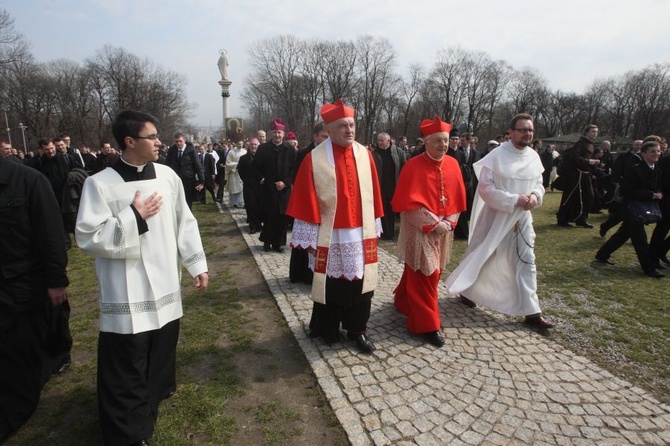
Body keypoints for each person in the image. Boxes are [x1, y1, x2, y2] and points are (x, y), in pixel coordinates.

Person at [75, 110, 209, 446]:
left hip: (164, 282)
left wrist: (196, 264)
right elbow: (88, 236)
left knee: (160, 349)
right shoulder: (99, 184)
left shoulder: (167, 176)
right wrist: (134, 216)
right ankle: (127, 432)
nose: (159, 142)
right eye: (152, 136)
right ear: (130, 141)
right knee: (127, 362)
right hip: (126, 289)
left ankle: (153, 397)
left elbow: (185, 222)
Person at [286, 99, 384, 353]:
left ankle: (357, 330)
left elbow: (373, 194)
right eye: (343, 126)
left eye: (352, 125)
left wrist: (375, 226)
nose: (349, 130)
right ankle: (327, 327)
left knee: (361, 283)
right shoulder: (314, 159)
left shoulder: (365, 155)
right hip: (330, 235)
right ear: (329, 130)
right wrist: (309, 241)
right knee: (332, 284)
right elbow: (305, 200)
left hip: (360, 233)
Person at [445, 113, 555, 331]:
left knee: (527, 263)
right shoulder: (497, 155)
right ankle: (467, 292)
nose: (527, 134)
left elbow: (539, 183)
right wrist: (514, 199)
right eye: (522, 129)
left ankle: (532, 312)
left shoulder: (534, 156)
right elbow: (486, 189)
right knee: (483, 255)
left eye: (530, 130)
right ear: (511, 132)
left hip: (521, 220)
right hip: (496, 218)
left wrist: (535, 196)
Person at [0, 155, 69, 443]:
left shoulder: (28, 181)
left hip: (23, 287)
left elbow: (52, 236)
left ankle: (11, 415)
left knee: (18, 355)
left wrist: (56, 281)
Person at [391, 117, 466, 347]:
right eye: (437, 141)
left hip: (444, 230)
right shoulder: (412, 165)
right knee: (426, 274)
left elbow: (458, 198)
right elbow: (407, 205)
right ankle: (427, 324)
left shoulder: (452, 164)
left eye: (445, 140)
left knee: (427, 273)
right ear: (425, 142)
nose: (443, 145)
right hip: (420, 230)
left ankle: (404, 301)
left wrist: (451, 222)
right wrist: (434, 224)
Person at [595, 141, 664, 278]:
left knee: (623, 234)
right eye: (653, 151)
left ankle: (602, 254)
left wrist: (658, 193)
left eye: (658, 151)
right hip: (631, 208)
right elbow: (626, 191)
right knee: (641, 240)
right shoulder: (635, 169)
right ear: (644, 153)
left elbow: (655, 186)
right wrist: (650, 195)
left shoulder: (656, 169)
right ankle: (649, 268)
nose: (656, 154)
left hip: (640, 208)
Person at [288, 122, 329, 284]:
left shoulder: (330, 153)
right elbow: (297, 177)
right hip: (307, 200)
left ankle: (317, 274)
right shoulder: (305, 153)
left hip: (324, 202)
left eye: (329, 136)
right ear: (315, 136)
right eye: (324, 136)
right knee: (304, 242)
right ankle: (300, 274)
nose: (327, 139)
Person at [253, 118, 295, 252]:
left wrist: (286, 183)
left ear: (283, 134)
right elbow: (255, 168)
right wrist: (262, 180)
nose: (277, 135)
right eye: (275, 132)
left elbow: (294, 169)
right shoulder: (263, 149)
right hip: (268, 190)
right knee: (269, 217)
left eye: (279, 133)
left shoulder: (290, 149)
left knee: (282, 218)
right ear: (271, 133)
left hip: (284, 190)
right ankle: (267, 242)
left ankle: (278, 244)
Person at [556, 125, 600, 228]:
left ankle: (581, 219)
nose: (595, 134)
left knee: (588, 197)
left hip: (585, 175)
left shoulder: (590, 145)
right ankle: (562, 219)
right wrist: (589, 161)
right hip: (576, 176)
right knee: (570, 197)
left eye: (596, 132)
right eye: (593, 131)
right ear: (586, 132)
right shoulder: (580, 144)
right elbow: (574, 158)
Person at [371, 132, 406, 240]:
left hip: (394, 185)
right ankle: (384, 232)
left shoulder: (398, 152)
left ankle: (392, 232)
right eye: (379, 140)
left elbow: (404, 166)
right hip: (380, 186)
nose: (380, 143)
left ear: (388, 141)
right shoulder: (374, 153)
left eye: (382, 140)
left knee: (393, 209)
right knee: (383, 209)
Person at [165, 133, 205, 209]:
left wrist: (201, 181)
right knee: (176, 203)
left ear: (184, 140)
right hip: (175, 180)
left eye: (180, 141)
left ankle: (188, 219)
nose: (178, 143)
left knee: (187, 202)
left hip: (188, 180)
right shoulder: (172, 150)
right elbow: (167, 165)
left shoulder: (191, 150)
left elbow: (198, 165)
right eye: (176, 141)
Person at [238, 138, 263, 234]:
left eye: (255, 145)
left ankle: (259, 224)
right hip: (248, 186)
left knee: (259, 206)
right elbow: (241, 172)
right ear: (249, 146)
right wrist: (247, 181)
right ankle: (253, 226)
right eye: (252, 145)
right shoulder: (243, 158)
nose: (253, 146)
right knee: (250, 206)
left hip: (260, 185)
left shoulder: (262, 157)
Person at [225, 140, 247, 207]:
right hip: (234, 174)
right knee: (234, 189)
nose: (240, 145)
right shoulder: (231, 152)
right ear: (236, 144)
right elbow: (228, 163)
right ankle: (234, 203)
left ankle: (242, 203)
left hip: (242, 173)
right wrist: (237, 165)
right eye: (239, 144)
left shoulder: (245, 152)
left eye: (241, 144)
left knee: (242, 189)